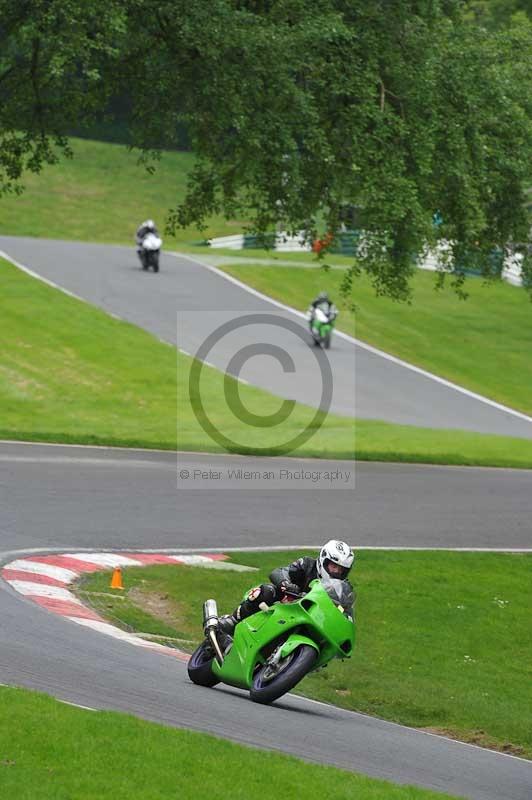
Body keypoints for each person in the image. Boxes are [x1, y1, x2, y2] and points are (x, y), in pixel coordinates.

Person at [218, 540, 355, 639]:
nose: (337, 572)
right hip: (287, 601)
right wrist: (286, 583)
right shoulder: (307, 564)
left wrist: (346, 621)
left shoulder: (342, 589)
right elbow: (278, 572)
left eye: (342, 570)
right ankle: (233, 620)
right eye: (334, 566)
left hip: (311, 619)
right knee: (266, 591)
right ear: (323, 560)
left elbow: (347, 613)